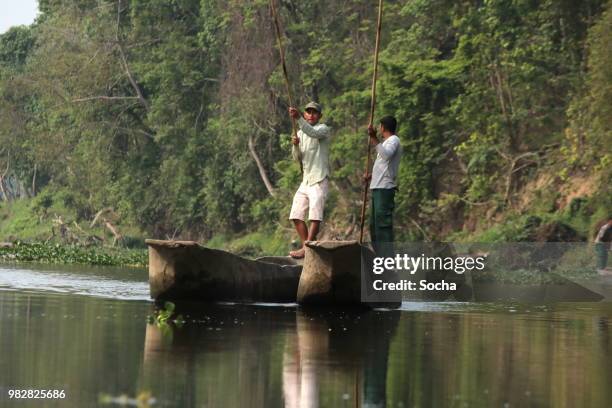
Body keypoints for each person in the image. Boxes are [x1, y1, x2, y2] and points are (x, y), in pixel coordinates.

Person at [288, 102, 331, 259]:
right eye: (308, 112)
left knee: (315, 215)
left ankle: (307, 247)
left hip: (319, 178)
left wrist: (298, 118)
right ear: (305, 114)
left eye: (314, 112)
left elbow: (312, 132)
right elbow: (297, 158)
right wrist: (295, 146)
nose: (311, 115)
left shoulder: (323, 129)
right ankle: (307, 245)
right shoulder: (299, 133)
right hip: (306, 180)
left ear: (319, 116)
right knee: (296, 214)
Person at [365, 116, 402, 254]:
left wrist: (374, 138)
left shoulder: (394, 140)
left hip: (385, 188)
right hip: (377, 187)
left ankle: (387, 261)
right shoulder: (385, 143)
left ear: (383, 127)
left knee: (383, 226)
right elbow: (383, 165)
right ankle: (379, 256)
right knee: (373, 226)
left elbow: (386, 156)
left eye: (380, 126)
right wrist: (371, 176)